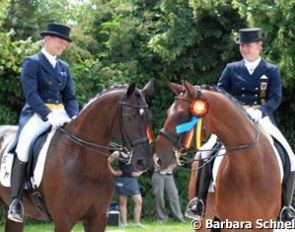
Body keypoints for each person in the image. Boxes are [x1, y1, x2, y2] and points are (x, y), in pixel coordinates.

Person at [186, 28, 295, 221]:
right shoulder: (231, 69)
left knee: (290, 155)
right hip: (233, 121)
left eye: (249, 45)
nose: (246, 49)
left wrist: (260, 111)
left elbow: (276, 97)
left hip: (261, 117)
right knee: (205, 151)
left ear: (259, 46)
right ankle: (199, 202)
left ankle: (286, 207)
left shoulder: (271, 70)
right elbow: (220, 93)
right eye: (243, 45)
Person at [7, 23, 79, 223]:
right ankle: (15, 201)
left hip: (62, 114)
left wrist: (73, 117)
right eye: (60, 41)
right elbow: (30, 94)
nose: (63, 45)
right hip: (38, 115)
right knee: (23, 147)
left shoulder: (64, 68)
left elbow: (70, 97)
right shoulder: (32, 62)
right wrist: (48, 115)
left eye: (65, 42)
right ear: (47, 39)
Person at [108, 151, 144, 227]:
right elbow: (107, 162)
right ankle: (124, 223)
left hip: (132, 180)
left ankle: (137, 223)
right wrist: (113, 172)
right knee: (122, 203)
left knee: (139, 202)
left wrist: (139, 172)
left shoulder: (136, 152)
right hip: (122, 180)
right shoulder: (117, 153)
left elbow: (143, 164)